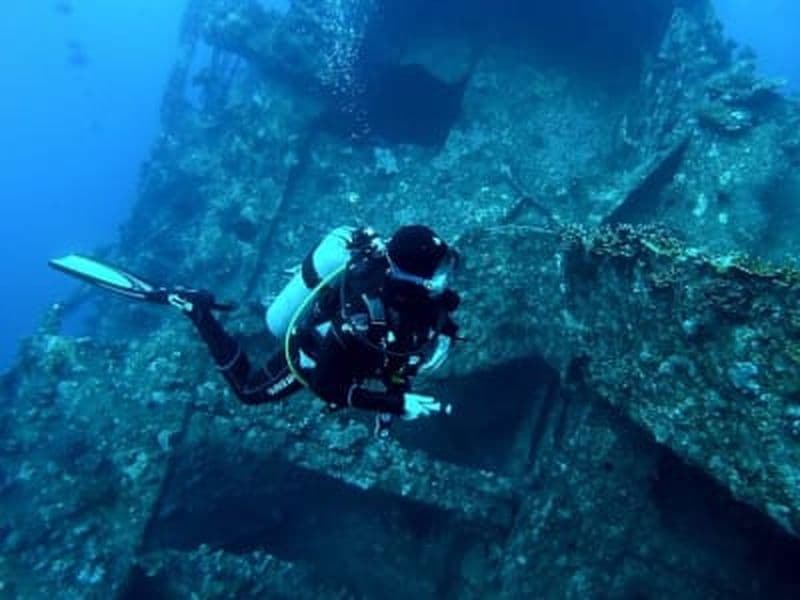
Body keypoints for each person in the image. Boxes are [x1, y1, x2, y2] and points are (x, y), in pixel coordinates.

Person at [169, 225, 462, 432]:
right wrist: (394, 403)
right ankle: (197, 311)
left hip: (363, 352)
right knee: (247, 392)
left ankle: (255, 303)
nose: (445, 279)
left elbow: (406, 343)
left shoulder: (416, 292)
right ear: (413, 278)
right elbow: (326, 385)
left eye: (446, 267)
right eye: (439, 273)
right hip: (312, 355)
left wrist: (446, 331)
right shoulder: (359, 317)